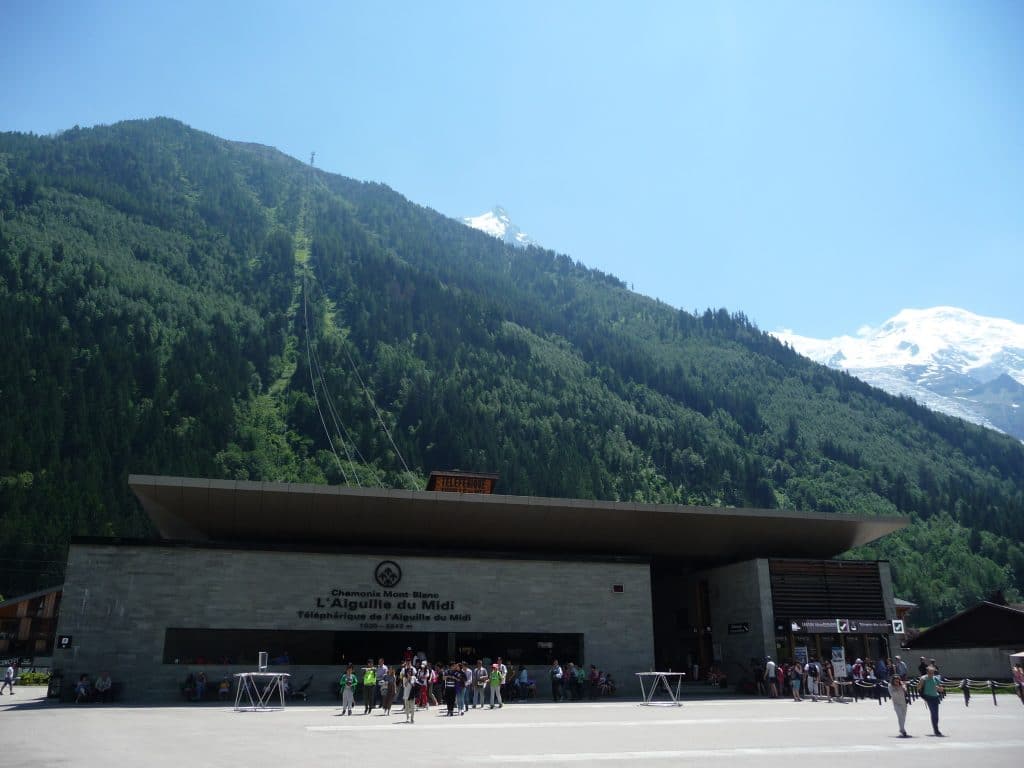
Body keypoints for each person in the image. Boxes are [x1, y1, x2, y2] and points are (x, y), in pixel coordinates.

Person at [917, 666, 944, 736]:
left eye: (932, 672)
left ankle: (936, 729)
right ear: (927, 672)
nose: (931, 674)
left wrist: (939, 688)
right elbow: (919, 688)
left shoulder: (935, 678)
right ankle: (936, 730)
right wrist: (920, 685)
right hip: (928, 697)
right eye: (930, 672)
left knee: (936, 715)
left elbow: (941, 689)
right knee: (933, 713)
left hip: (935, 697)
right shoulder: (923, 678)